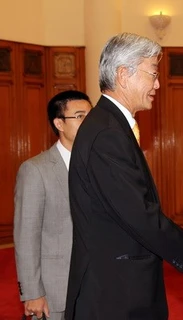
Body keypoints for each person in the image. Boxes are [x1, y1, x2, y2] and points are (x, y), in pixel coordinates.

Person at [65, 33, 183, 319]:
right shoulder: (107, 133)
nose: (158, 84)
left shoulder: (108, 125)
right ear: (124, 74)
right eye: (153, 74)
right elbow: (139, 214)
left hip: (117, 285)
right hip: (113, 294)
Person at [14, 90, 92, 320]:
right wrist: (32, 292)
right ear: (59, 123)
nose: (88, 123)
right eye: (79, 116)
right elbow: (26, 235)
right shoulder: (36, 170)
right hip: (55, 289)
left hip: (96, 286)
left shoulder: (99, 166)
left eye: (91, 115)